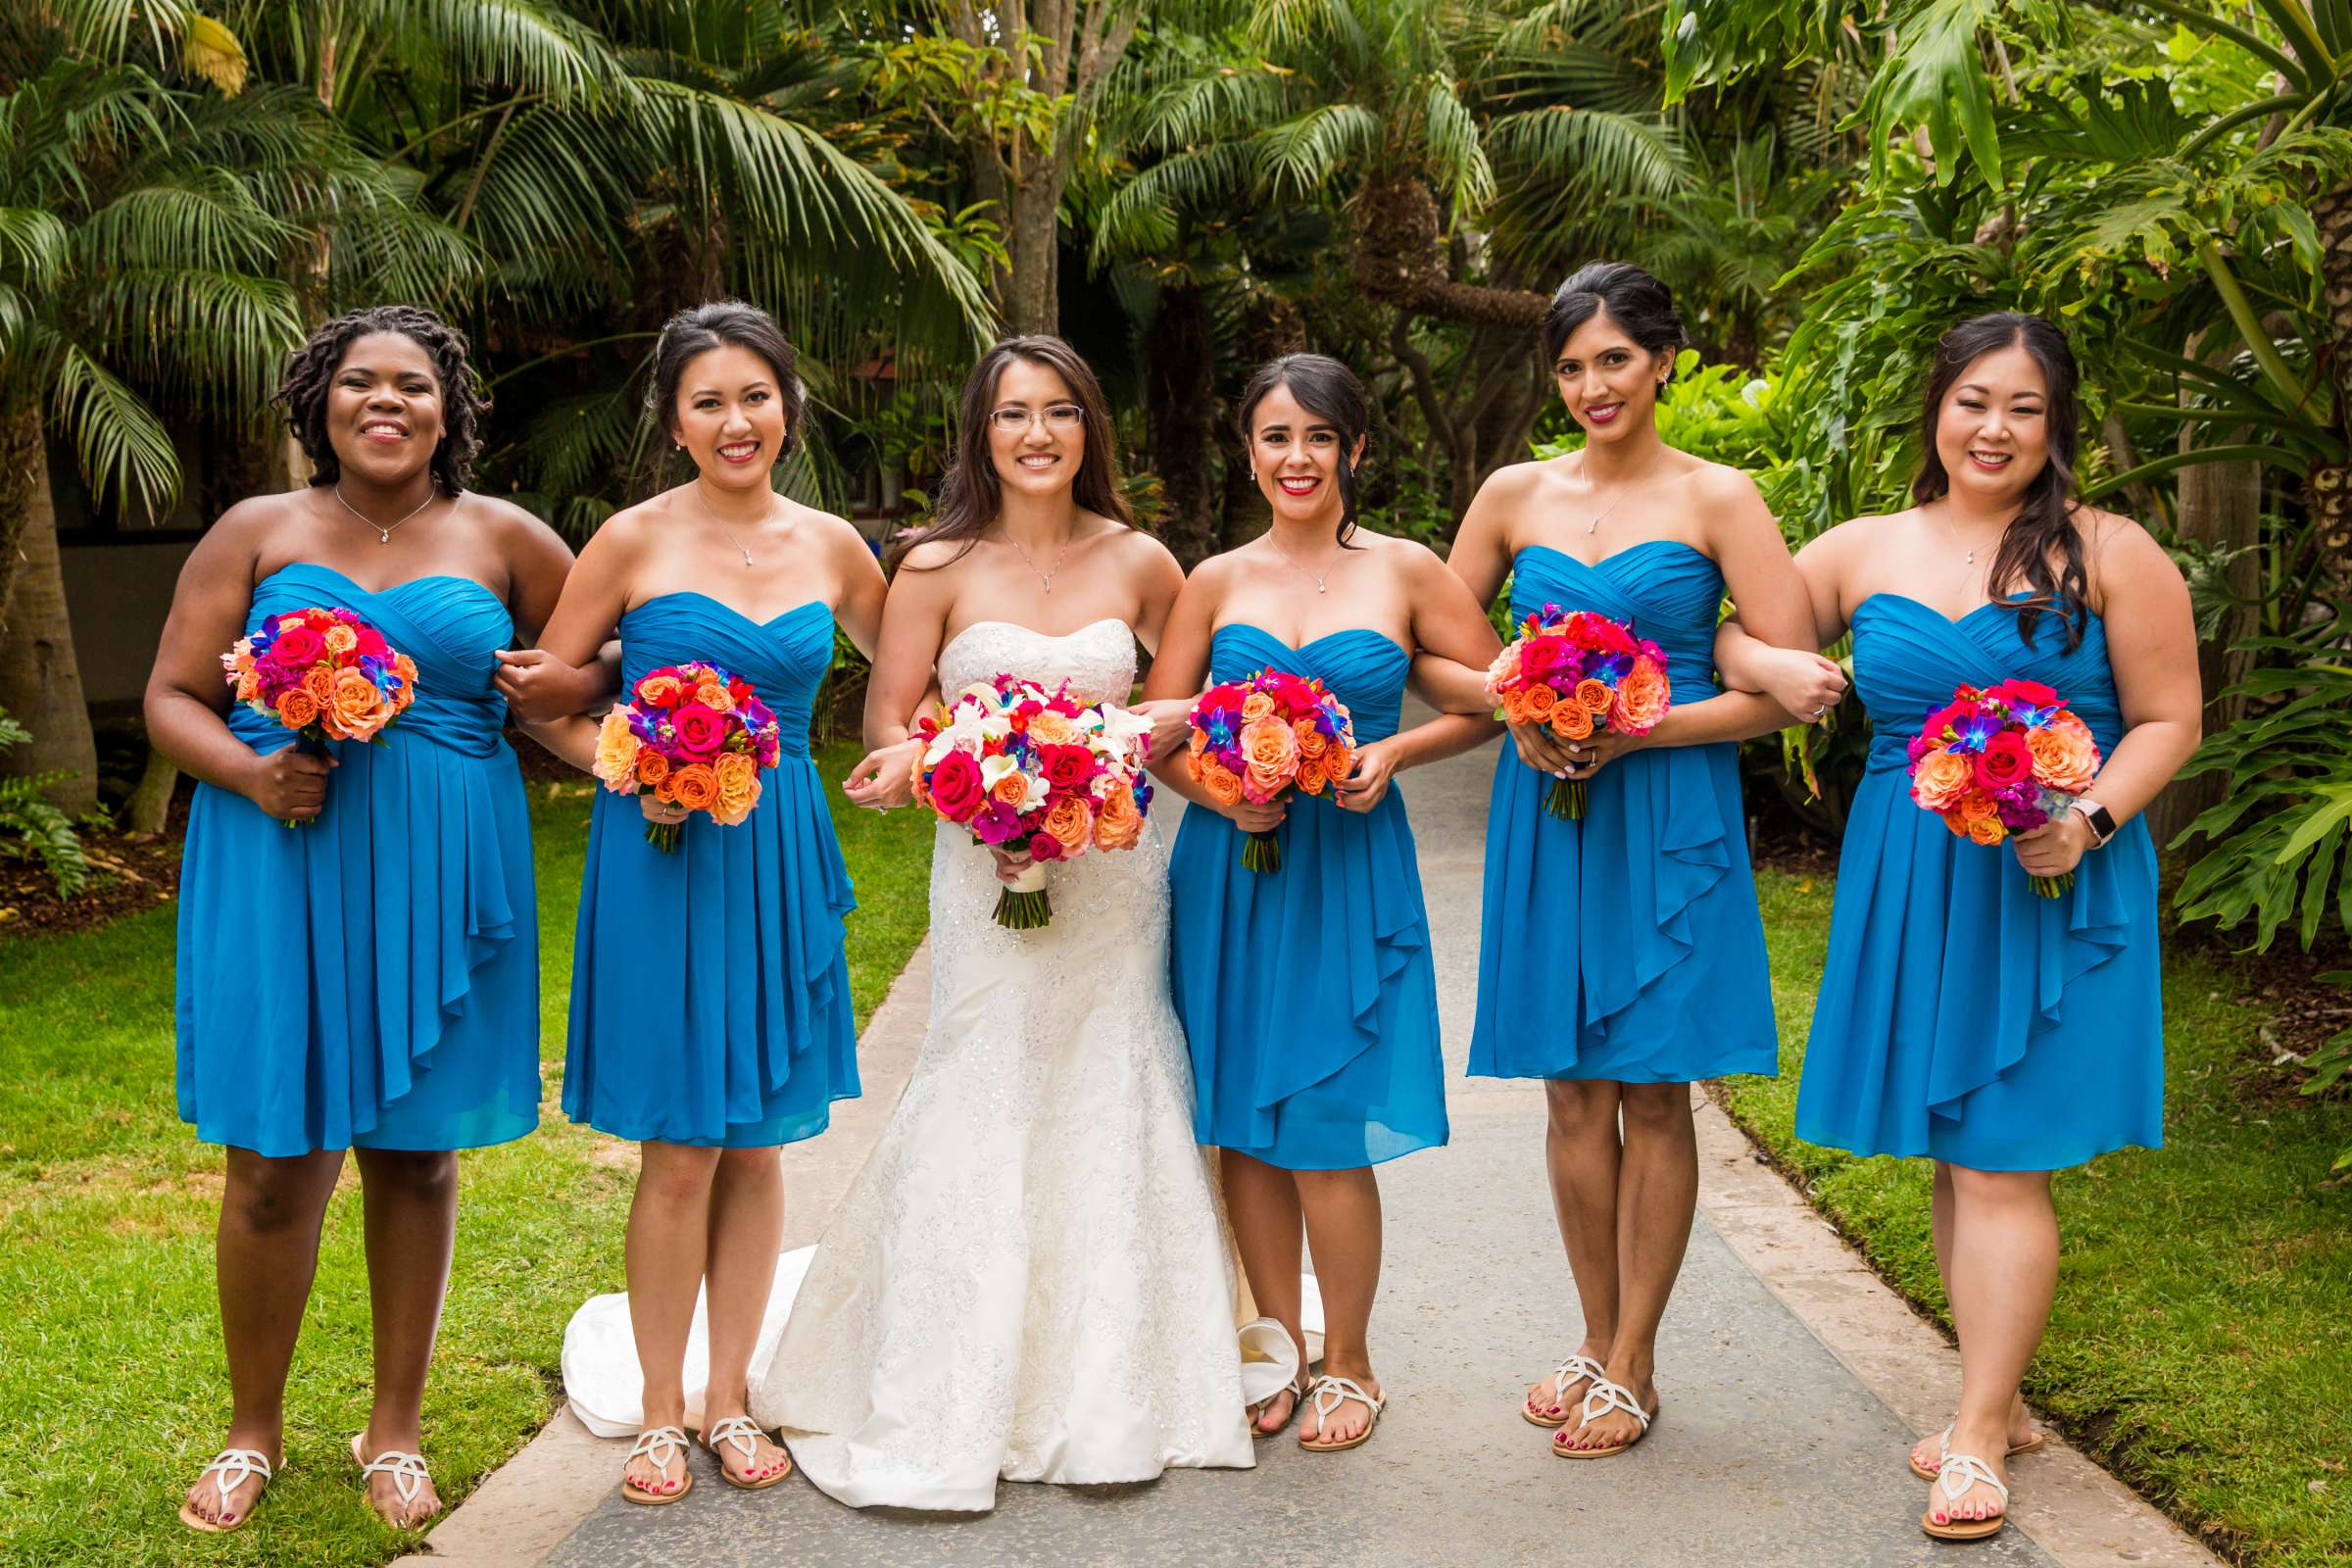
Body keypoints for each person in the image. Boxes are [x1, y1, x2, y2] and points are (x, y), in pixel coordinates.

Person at [1714, 312, 2199, 1541]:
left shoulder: (2111, 551)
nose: (1995, 428)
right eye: (1975, 399)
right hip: (1910, 874)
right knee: (1955, 1139)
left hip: (2048, 871)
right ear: (1937, 405)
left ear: (2058, 425)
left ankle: (1978, 1429)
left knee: (1998, 1153)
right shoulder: (1869, 545)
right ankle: (2006, 1398)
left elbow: (2169, 720)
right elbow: (1734, 624)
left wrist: (2084, 820)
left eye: (2024, 408)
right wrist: (1771, 670)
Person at [747, 335, 1253, 1508]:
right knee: (983, 1075)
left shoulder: (1144, 563)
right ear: (981, 429)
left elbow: (1177, 714)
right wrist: (977, 775)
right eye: (1014, 413)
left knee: (1111, 1078)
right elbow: (889, 725)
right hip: (982, 870)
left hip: (1114, 882)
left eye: (1061, 412)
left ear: (1091, 430)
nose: (1037, 434)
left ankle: (1118, 1377)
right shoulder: (932, 564)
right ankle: (952, 1381)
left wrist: (1203, 782)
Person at [148, 305, 595, 1532]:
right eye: (359, 383)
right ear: (321, 403)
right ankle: (253, 1430)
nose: (385, 401)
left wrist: (617, 728)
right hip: (280, 856)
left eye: (412, 384)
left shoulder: (504, 536)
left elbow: (583, 667)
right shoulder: (258, 530)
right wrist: (246, 772)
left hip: (446, 871)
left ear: (449, 407)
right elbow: (171, 696)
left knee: (416, 1154)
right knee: (272, 1165)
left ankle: (392, 1431)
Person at [1429, 262, 1819, 1459]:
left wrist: (1635, 722)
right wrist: (1516, 706)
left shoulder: (1721, 499)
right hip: (1549, 819)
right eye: (1571, 365)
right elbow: (1435, 654)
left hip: (1669, 820)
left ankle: (1638, 1358)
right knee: (1569, 1087)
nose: (1593, 385)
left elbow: (1788, 686)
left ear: (1662, 360)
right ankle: (1595, 1336)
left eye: (1614, 359)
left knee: (1653, 1086)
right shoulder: (1510, 495)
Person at [526, 301, 883, 1503]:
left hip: (779, 849)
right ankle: (662, 1410)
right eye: (708, 401)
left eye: (755, 396)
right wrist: (629, 766)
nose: (737, 421)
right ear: (674, 422)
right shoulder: (627, 541)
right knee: (677, 1149)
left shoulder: (835, 546)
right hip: (666, 856)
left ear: (788, 403)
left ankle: (735, 1398)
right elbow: (549, 698)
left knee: (760, 1142)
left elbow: (919, 673)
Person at [1148, 353, 1498, 1451]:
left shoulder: (1405, 569)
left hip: (1346, 861)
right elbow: (1153, 733)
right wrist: (1216, 791)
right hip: (1231, 868)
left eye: (1317, 436)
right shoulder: (1213, 580)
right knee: (1244, 1122)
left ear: (1354, 448)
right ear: (1247, 451)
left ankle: (1352, 1360)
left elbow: (1499, 700)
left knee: (1327, 1126)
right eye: (1274, 436)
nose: (1295, 457)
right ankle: (1280, 1350)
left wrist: (1392, 747)